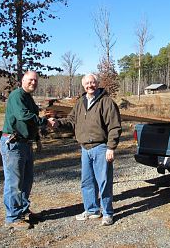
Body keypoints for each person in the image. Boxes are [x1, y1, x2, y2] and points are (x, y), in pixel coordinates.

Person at [49, 73, 121, 226]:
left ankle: (108, 213)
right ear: (83, 85)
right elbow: (71, 120)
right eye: (87, 83)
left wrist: (111, 147)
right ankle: (92, 210)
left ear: (97, 83)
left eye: (93, 82)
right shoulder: (80, 102)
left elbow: (114, 126)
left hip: (101, 147)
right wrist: (58, 123)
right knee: (87, 182)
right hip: (85, 148)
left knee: (104, 182)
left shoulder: (107, 102)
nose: (90, 85)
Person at [0, 71, 52, 230]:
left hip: (25, 143)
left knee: (26, 181)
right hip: (14, 144)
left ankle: (23, 210)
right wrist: (45, 122)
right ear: (23, 80)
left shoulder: (28, 98)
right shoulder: (17, 95)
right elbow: (24, 116)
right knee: (14, 182)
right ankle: (13, 217)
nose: (33, 83)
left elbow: (31, 123)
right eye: (30, 80)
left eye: (35, 81)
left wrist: (37, 140)